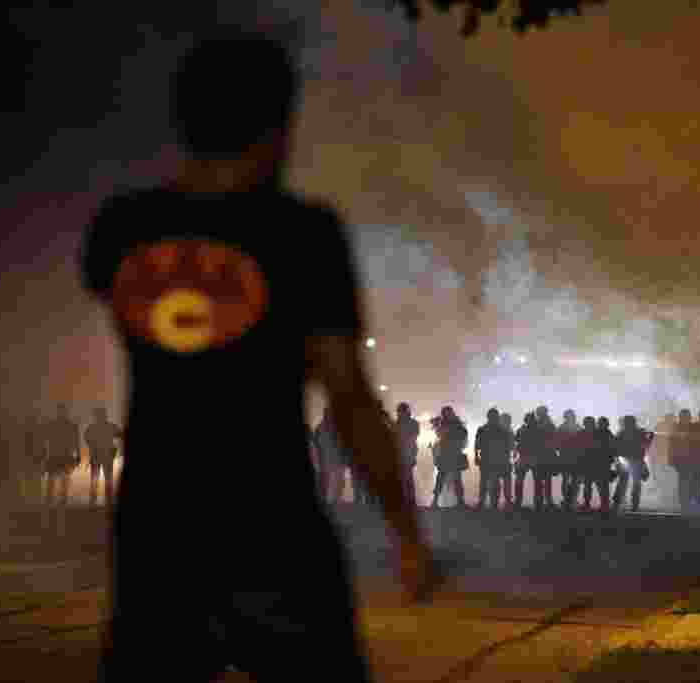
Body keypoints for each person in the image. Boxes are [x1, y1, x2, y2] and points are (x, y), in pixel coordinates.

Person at [81, 33, 436, 682]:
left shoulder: (122, 228)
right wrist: (406, 529)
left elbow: (153, 322)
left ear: (184, 120)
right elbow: (348, 394)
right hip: (270, 520)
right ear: (279, 126)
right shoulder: (304, 234)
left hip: (156, 524)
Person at [44, 404, 81, 534]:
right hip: (61, 456)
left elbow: (46, 441)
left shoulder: (55, 425)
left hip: (58, 456)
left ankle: (52, 506)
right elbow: (76, 442)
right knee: (59, 481)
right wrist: (78, 455)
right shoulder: (70, 425)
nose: (61, 413)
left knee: (55, 481)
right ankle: (58, 505)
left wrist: (77, 455)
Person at [474, 408, 514, 510]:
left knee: (488, 482)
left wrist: (477, 456)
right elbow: (509, 446)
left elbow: (477, 445)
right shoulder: (502, 430)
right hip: (496, 459)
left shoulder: (483, 429)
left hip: (491, 459)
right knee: (491, 482)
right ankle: (492, 503)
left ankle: (487, 502)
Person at [430, 406, 469, 508]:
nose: (447, 415)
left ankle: (460, 501)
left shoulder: (454, 423)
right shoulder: (444, 423)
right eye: (445, 413)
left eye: (448, 413)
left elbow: (463, 435)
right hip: (446, 453)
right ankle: (435, 501)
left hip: (453, 452)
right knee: (442, 478)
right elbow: (439, 434)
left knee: (454, 478)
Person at [613, 415, 653, 513]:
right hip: (630, 460)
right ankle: (627, 503)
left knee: (627, 483)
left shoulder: (623, 432)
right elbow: (646, 445)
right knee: (630, 483)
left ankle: (621, 503)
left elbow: (646, 445)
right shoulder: (633, 432)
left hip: (632, 460)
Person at [84, 406, 122, 510]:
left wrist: (115, 449)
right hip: (104, 456)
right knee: (105, 479)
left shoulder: (92, 427)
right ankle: (105, 502)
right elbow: (120, 436)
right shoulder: (110, 426)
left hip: (99, 456)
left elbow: (87, 439)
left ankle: (94, 502)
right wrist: (115, 449)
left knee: (97, 479)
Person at [514, 412, 542, 509]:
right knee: (536, 481)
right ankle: (537, 502)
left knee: (521, 480)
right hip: (531, 457)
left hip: (527, 456)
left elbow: (516, 441)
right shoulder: (538, 429)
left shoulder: (522, 429)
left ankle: (519, 501)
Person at [557, 409, 582, 510]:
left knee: (570, 479)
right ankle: (571, 499)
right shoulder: (577, 427)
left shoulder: (562, 428)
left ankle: (569, 499)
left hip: (568, 456)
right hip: (570, 457)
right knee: (572, 479)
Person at [395, 403, 420, 506]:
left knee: (407, 477)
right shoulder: (404, 423)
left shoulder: (409, 423)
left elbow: (413, 436)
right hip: (404, 452)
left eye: (401, 411)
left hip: (407, 453)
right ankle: (408, 500)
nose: (400, 413)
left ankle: (409, 500)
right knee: (406, 477)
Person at [499, 412, 515, 507]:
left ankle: (507, 501)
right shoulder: (508, 430)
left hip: (503, 459)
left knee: (505, 481)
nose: (509, 422)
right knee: (505, 481)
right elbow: (512, 445)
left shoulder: (508, 430)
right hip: (503, 459)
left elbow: (512, 445)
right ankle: (507, 501)